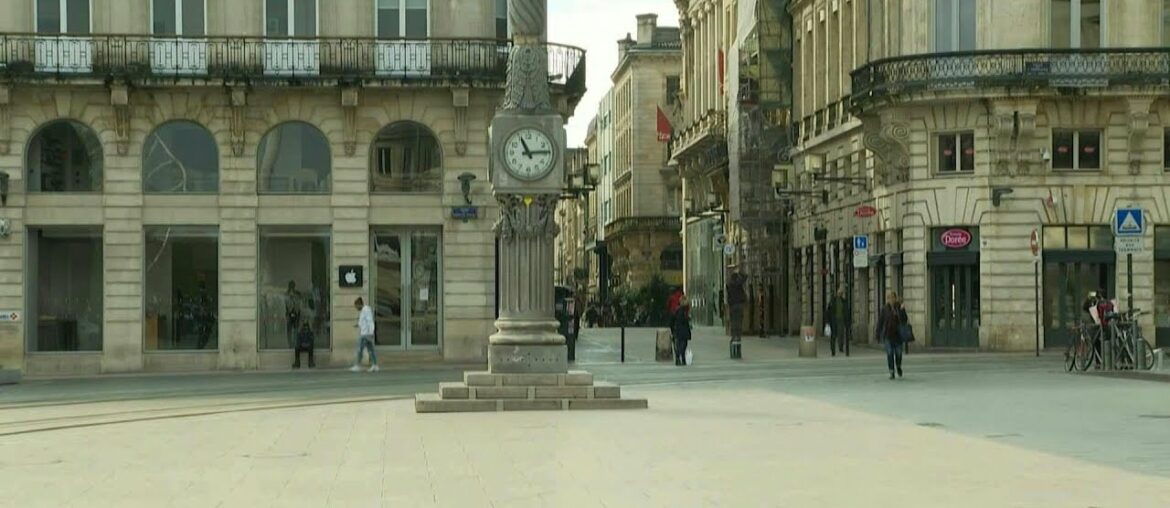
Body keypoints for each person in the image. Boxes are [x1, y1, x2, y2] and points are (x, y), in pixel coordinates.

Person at [876, 291, 908, 380]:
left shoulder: (899, 307)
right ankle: (891, 371)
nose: (892, 300)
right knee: (889, 353)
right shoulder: (885, 309)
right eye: (890, 298)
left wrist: (902, 310)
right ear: (888, 299)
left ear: (895, 298)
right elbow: (880, 322)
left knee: (898, 354)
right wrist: (878, 334)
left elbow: (905, 320)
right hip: (888, 335)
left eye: (893, 298)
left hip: (898, 335)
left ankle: (898, 366)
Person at [351, 297, 379, 372]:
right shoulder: (363, 310)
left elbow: (370, 321)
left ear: (359, 304)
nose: (356, 308)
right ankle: (375, 365)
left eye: (356, 306)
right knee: (371, 350)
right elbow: (363, 321)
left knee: (359, 349)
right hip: (366, 333)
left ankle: (357, 365)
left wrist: (371, 332)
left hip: (365, 334)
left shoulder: (366, 310)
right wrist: (358, 325)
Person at [825, 286, 850, 356]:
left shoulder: (844, 301)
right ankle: (833, 350)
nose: (840, 294)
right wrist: (827, 321)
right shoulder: (833, 301)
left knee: (841, 334)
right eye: (839, 292)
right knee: (833, 335)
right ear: (837, 293)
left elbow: (847, 311)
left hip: (841, 320)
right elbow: (828, 312)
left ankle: (841, 347)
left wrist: (847, 321)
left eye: (841, 292)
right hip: (834, 320)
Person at [671, 293, 692, 366]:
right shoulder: (682, 310)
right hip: (682, 330)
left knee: (681, 344)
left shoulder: (678, 310)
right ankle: (679, 358)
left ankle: (681, 359)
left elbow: (672, 320)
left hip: (679, 330)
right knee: (683, 345)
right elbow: (682, 320)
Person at [726, 272, 747, 346]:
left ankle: (734, 336)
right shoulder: (738, 284)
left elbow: (728, 296)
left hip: (733, 305)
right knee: (739, 321)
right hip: (739, 305)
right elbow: (745, 276)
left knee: (734, 321)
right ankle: (738, 336)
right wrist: (739, 273)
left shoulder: (729, 285)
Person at [285, 281, 302, 349]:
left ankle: (294, 343)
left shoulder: (297, 294)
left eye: (293, 286)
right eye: (291, 286)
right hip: (289, 313)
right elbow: (286, 304)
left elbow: (299, 303)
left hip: (295, 313)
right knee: (289, 329)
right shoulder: (287, 294)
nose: (292, 287)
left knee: (295, 329)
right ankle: (290, 343)